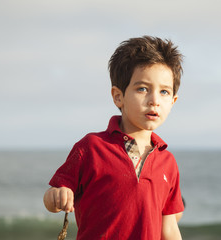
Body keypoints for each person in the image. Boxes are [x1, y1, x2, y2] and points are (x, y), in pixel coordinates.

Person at [43, 36, 184, 240]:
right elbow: (52, 195)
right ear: (118, 96)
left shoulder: (168, 162)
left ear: (173, 101)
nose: (154, 101)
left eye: (164, 92)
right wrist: (57, 196)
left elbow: (169, 227)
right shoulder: (91, 147)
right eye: (142, 89)